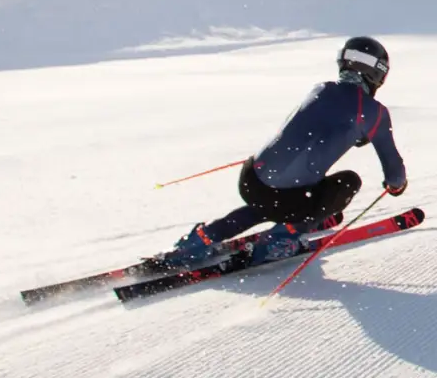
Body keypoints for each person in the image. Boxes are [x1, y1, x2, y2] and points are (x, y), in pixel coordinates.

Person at [161, 36, 409, 269]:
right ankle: (280, 239)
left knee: (268, 201)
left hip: (251, 180)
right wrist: (396, 186)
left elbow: (314, 128)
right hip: (290, 201)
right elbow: (394, 173)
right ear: (378, 73)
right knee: (348, 182)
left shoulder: (320, 89)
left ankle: (203, 238)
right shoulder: (375, 113)